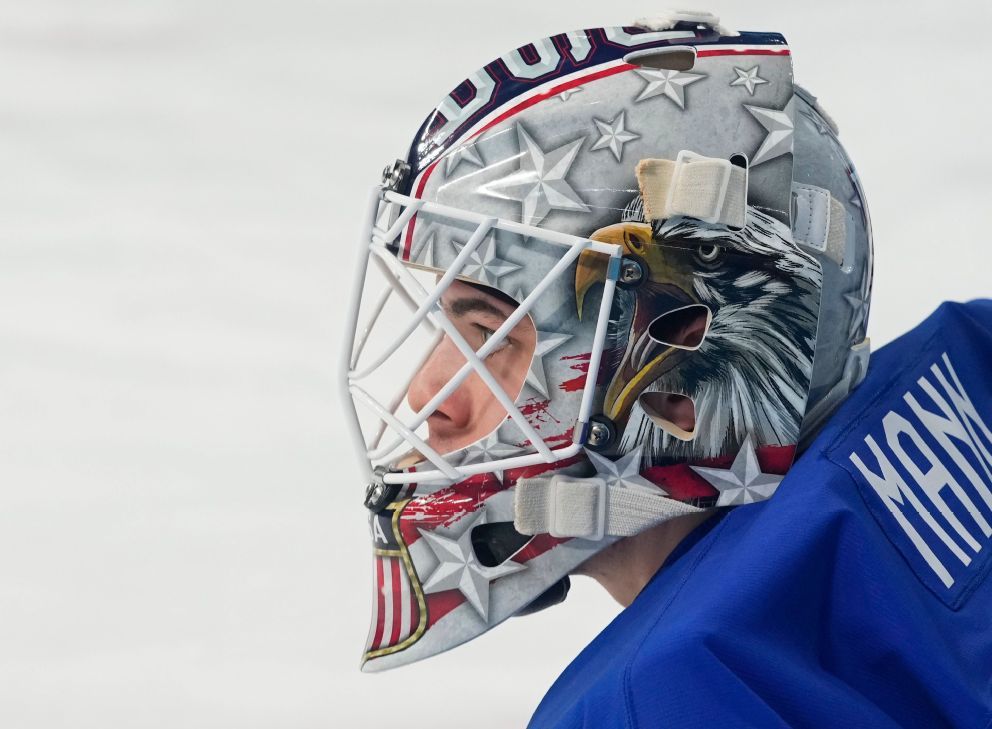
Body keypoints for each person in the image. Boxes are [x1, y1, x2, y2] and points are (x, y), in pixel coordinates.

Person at [339, 11, 992, 727]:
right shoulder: (969, 364)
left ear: (676, 378)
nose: (427, 398)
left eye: (489, 336)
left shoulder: (656, 701)